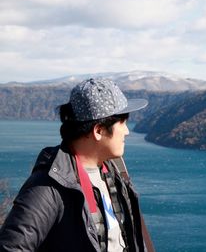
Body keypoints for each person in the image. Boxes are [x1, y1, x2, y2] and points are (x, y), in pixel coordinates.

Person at [0, 78, 154, 252]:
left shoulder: (113, 171)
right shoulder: (48, 187)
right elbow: (11, 247)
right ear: (99, 130)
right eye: (123, 123)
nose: (127, 131)